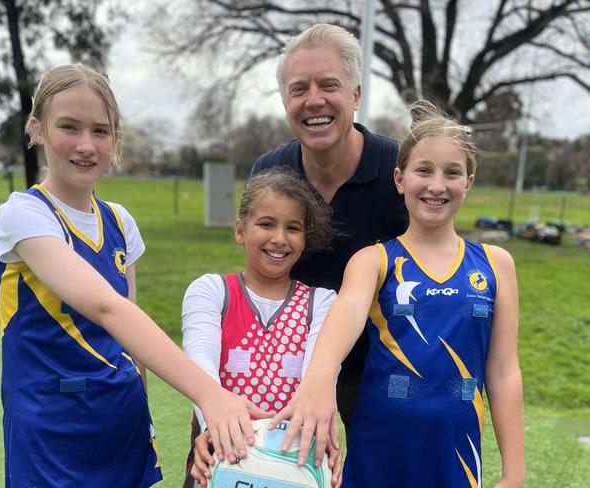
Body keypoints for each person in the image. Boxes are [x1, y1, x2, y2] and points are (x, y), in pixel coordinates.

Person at [0, 64, 269, 488]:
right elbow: (107, 308)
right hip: (50, 430)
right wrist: (209, 394)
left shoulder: (120, 222)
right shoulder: (23, 215)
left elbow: (129, 336)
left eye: (101, 131)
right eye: (69, 126)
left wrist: (145, 415)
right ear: (37, 128)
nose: (87, 145)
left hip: (121, 420)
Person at [270, 101, 525, 487]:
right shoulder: (374, 261)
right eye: (424, 170)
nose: (437, 185)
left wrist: (515, 473)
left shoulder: (495, 264)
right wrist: (319, 380)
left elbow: (504, 372)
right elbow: (346, 316)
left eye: (452, 173)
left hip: (456, 453)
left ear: (468, 182)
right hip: (379, 452)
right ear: (400, 178)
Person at [251, 23, 408, 432]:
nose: (313, 100)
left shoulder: (400, 171)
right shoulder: (268, 172)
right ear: (285, 99)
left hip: (379, 369)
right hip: (287, 367)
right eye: (299, 88)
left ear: (356, 95)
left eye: (329, 85)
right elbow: (261, 279)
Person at [182, 168, 343, 487]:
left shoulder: (321, 304)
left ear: (304, 239)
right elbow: (200, 367)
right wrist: (212, 426)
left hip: (295, 467)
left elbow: (319, 379)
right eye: (266, 224)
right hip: (221, 461)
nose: (279, 238)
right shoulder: (211, 292)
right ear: (240, 230)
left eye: (293, 228)